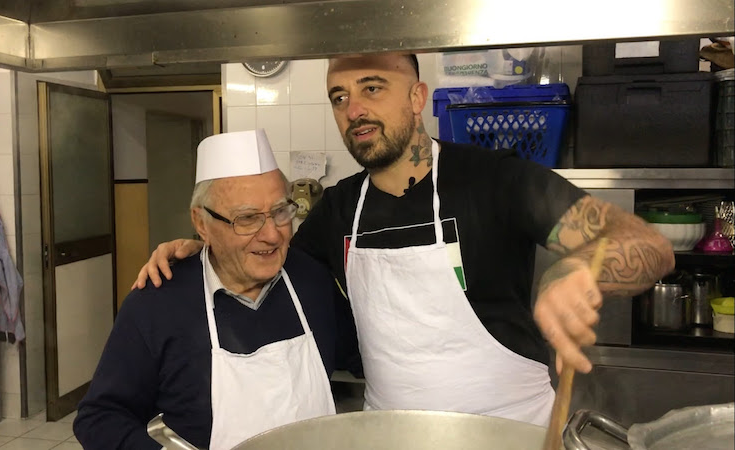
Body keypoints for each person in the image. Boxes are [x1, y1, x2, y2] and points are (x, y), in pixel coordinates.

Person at [134, 54, 674, 426]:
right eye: (339, 97)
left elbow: (648, 246)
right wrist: (202, 248)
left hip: (510, 431)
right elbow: (263, 255)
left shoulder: (496, 180)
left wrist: (578, 269)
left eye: (372, 88)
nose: (354, 110)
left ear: (417, 97)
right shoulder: (339, 209)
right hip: (392, 432)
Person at [75, 129, 357, 450]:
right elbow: (100, 417)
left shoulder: (311, 279)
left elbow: (359, 353)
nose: (272, 235)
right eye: (247, 218)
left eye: (280, 211)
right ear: (201, 223)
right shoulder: (158, 303)